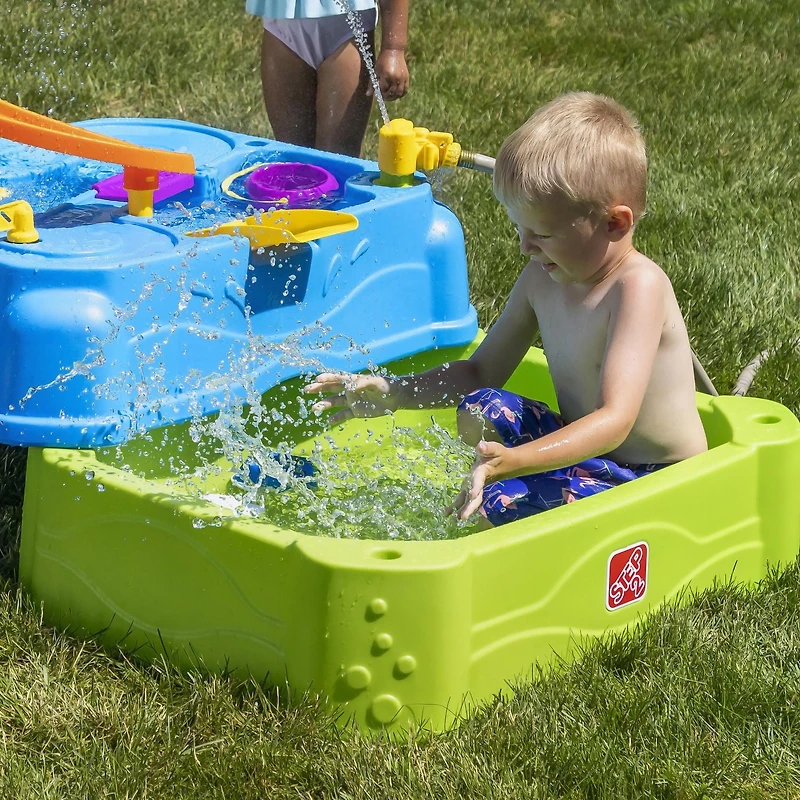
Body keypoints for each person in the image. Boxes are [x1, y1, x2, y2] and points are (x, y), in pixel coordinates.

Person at [305, 92, 708, 527]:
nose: (524, 246)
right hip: (591, 456)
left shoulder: (637, 288)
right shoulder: (543, 277)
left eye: (542, 234)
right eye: (519, 228)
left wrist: (516, 460)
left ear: (615, 223)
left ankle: (500, 525)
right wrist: (395, 393)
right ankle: (505, 491)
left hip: (654, 477)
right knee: (481, 407)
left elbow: (614, 421)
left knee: (501, 502)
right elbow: (480, 373)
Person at [246, 0, 409, 157]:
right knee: (292, 154)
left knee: (338, 155)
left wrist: (393, 48)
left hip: (346, 30)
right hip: (281, 25)